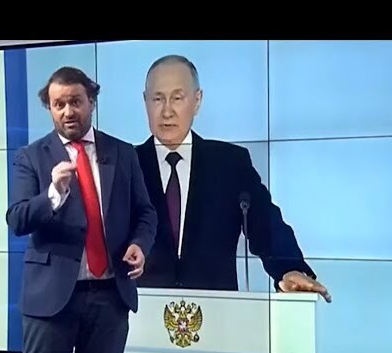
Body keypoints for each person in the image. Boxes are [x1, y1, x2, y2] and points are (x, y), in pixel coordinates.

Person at [135, 55, 331, 302]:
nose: (167, 111)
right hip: (141, 312)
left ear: (197, 100)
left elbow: (266, 224)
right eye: (157, 98)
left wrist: (289, 268)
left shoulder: (229, 164)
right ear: (145, 101)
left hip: (219, 313)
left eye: (177, 98)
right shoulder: (127, 165)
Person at [6, 66, 157, 353]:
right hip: (51, 301)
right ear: (50, 108)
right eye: (58, 104)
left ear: (91, 101)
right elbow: (17, 219)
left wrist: (140, 244)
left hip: (110, 298)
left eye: (75, 101)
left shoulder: (123, 153)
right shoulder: (30, 156)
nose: (67, 112)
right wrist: (53, 192)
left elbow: (145, 212)